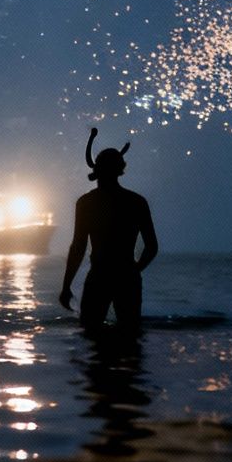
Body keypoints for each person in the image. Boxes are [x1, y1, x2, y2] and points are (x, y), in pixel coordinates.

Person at [58, 128, 157, 329]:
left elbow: (78, 247)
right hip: (127, 277)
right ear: (120, 170)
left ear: (96, 172)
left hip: (99, 277)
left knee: (91, 335)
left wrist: (66, 286)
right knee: (130, 339)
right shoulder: (136, 202)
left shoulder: (86, 203)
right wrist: (134, 270)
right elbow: (152, 247)